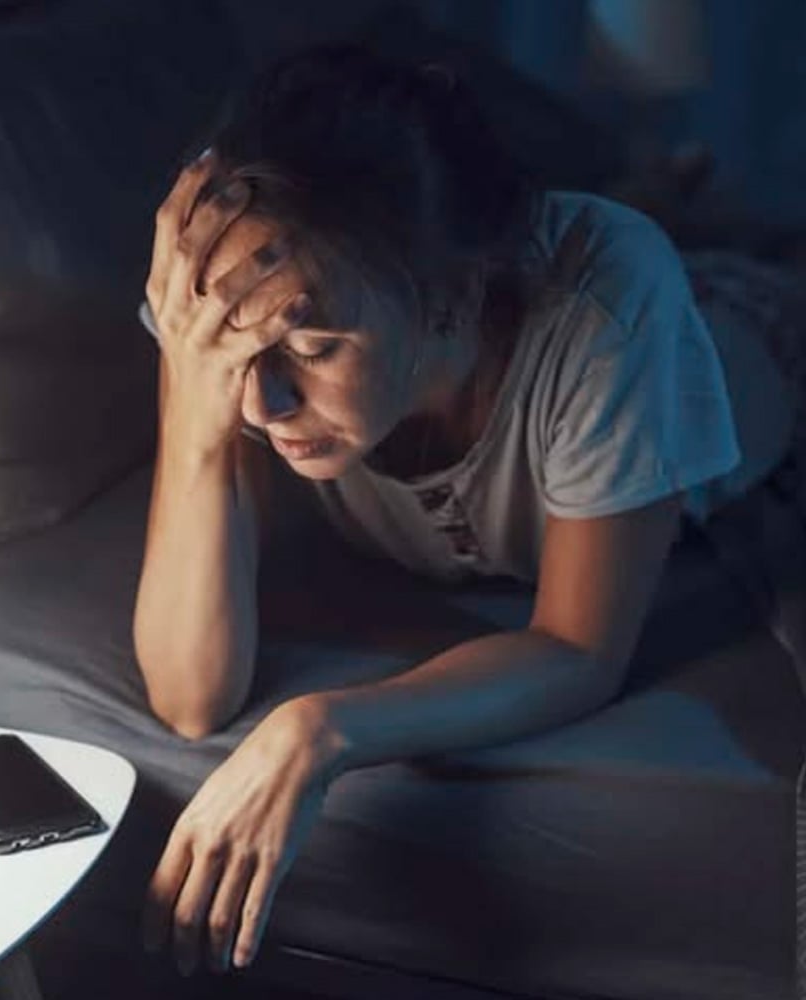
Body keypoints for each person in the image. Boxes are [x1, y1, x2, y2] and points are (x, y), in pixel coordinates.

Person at [132, 43, 803, 978]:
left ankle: (664, 199)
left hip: (756, 335)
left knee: (725, 262)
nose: (264, 405)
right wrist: (195, 398)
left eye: (315, 349)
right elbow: (189, 694)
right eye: (239, 358)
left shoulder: (601, 311)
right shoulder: (233, 312)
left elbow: (577, 648)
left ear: (453, 301)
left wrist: (319, 730)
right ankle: (660, 186)